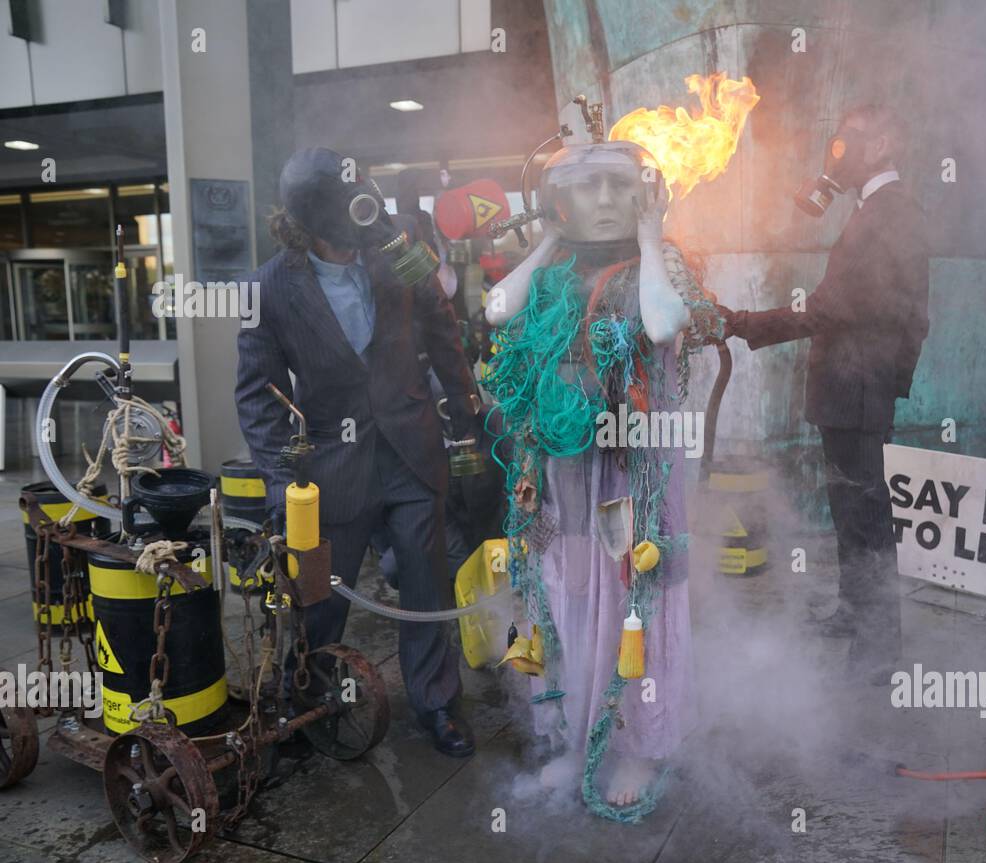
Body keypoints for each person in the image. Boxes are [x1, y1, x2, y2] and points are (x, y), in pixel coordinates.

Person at [483, 140, 721, 816]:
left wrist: (650, 240)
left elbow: (664, 320)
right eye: (587, 188)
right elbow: (498, 308)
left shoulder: (659, 264)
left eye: (622, 185)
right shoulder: (553, 276)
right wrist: (547, 240)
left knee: (633, 603)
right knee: (570, 598)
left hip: (632, 477)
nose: (607, 199)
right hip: (565, 476)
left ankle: (640, 747)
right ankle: (577, 739)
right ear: (560, 202)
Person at [235, 146, 480, 757]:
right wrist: (281, 483)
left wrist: (465, 411)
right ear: (309, 221)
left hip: (411, 453)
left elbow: (442, 330)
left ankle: (436, 702)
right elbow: (257, 396)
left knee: (427, 584)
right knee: (320, 596)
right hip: (331, 469)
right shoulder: (266, 289)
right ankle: (308, 700)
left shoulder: (395, 253)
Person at [720, 104, 930, 677]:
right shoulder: (876, 210)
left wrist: (744, 322)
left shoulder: (892, 214)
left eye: (848, 142)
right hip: (855, 389)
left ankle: (879, 649)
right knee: (848, 509)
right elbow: (910, 317)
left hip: (859, 390)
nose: (837, 153)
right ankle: (852, 610)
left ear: (883, 144)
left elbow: (837, 307)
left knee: (866, 518)